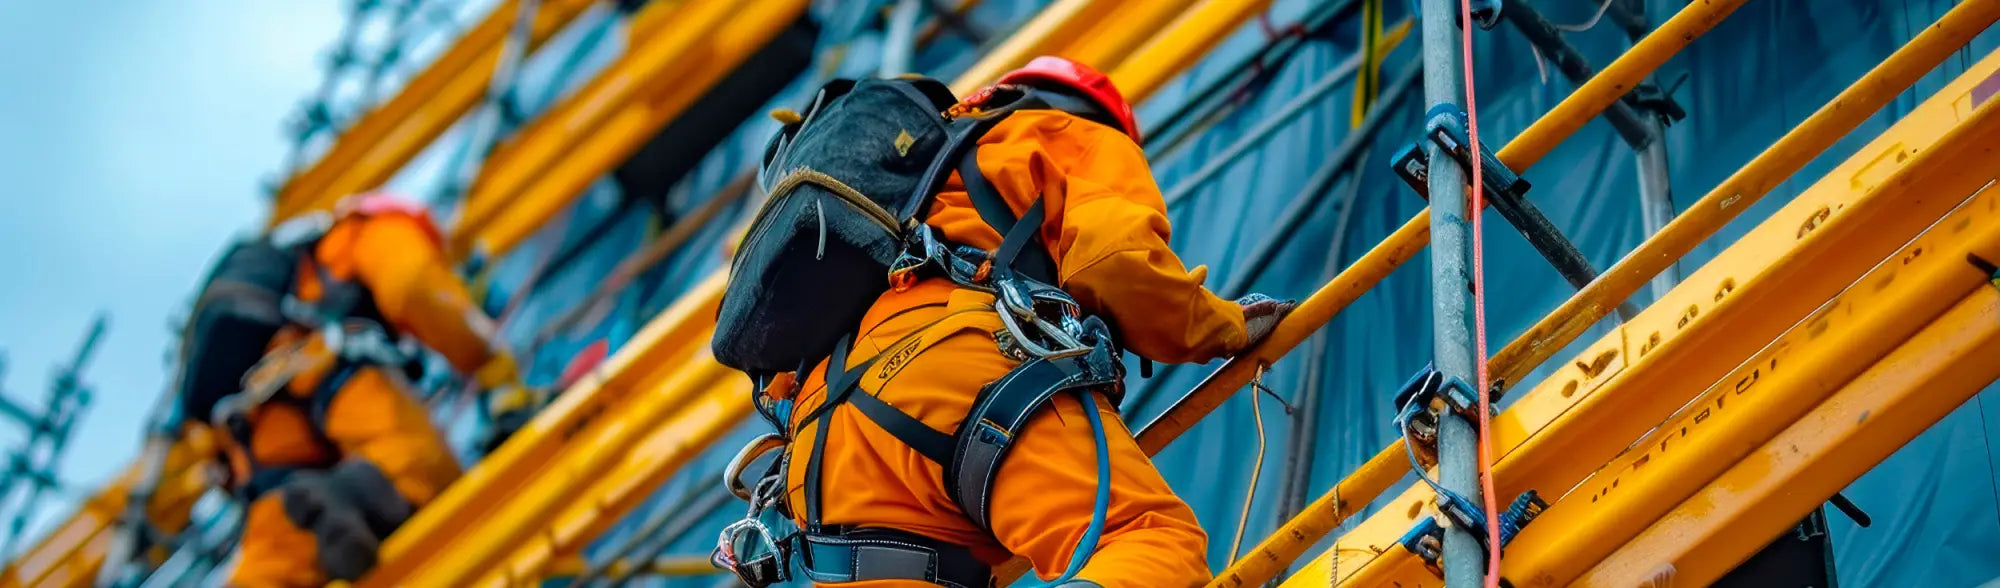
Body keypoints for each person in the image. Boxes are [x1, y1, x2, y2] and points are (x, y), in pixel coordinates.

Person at [768, 57, 1296, 587]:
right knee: (1146, 539)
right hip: (954, 370)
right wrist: (1222, 325)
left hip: (821, 441)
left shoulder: (908, 189)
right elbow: (1113, 263)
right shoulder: (1058, 133)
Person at [211, 194, 536, 586]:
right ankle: (359, 494)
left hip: (249, 413)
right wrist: (493, 371)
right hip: (322, 364)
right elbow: (412, 283)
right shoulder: (369, 227)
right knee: (415, 468)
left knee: (276, 548)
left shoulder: (279, 279)